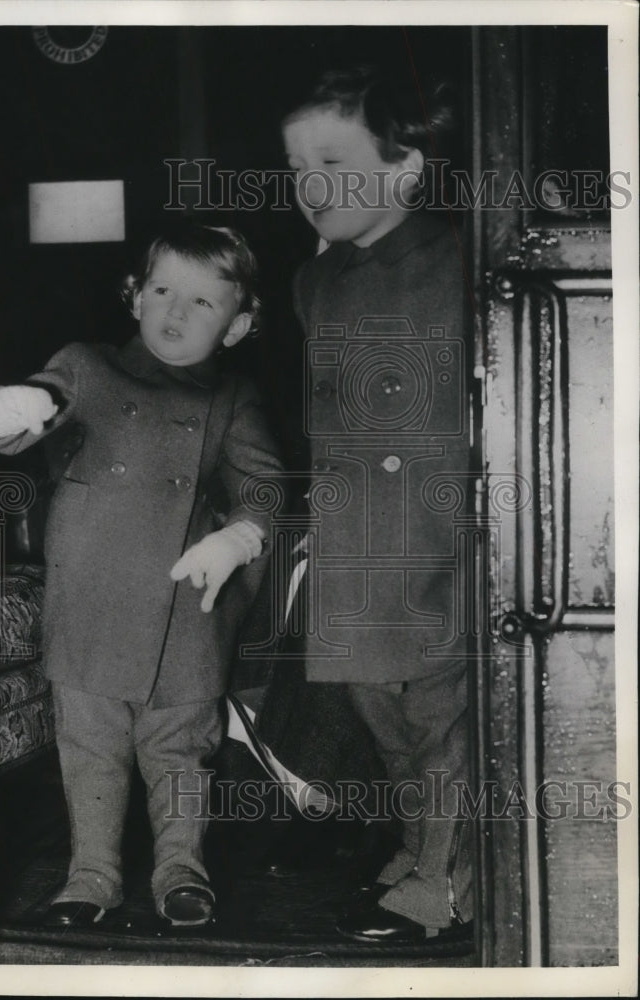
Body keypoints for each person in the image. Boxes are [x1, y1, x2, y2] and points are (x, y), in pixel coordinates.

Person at [0, 225, 282, 929]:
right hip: (89, 599)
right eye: (164, 290)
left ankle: (181, 871)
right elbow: (24, 414)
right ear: (135, 296)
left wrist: (238, 536)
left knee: (181, 749)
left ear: (238, 327)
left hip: (185, 603)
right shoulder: (88, 366)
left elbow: (264, 488)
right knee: (90, 750)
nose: (176, 312)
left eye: (203, 303)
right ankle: (92, 876)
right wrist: (8, 410)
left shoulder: (232, 397)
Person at [256, 65, 474, 943]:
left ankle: (449, 878)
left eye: (333, 162)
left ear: (406, 169)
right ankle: (426, 845)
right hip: (357, 534)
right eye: (297, 166)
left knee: (440, 718)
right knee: (378, 711)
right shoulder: (313, 286)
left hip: (439, 530)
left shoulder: (463, 255)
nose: (311, 186)